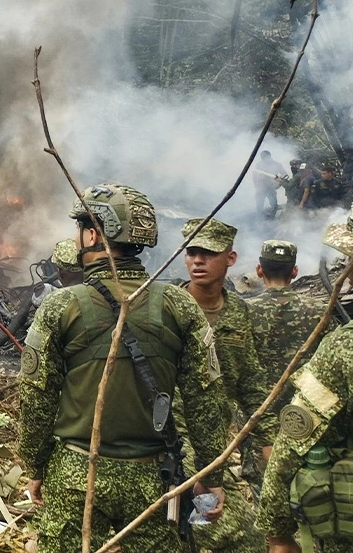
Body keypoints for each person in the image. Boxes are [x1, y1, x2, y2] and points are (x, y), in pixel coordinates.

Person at [18, 183, 228, 553]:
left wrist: (35, 465)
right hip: (155, 477)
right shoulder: (179, 305)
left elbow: (35, 400)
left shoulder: (61, 306)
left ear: (94, 234)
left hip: (78, 476)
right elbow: (206, 401)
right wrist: (211, 475)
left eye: (80, 228)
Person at [257, 208, 353, 553]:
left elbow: (295, 437)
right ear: (294, 271)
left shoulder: (344, 346)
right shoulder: (320, 316)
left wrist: (278, 531)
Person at [178, 218, 277, 552]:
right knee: (228, 534)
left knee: (228, 533)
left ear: (230, 259)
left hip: (215, 442)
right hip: (172, 440)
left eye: (207, 253)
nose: (197, 261)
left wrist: (268, 441)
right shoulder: (168, 308)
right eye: (192, 252)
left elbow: (251, 380)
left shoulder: (237, 312)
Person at [246, 240, 333, 403]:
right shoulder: (321, 312)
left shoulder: (243, 311)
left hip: (256, 407)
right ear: (294, 272)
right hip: (302, 408)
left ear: (259, 270)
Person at [255, 150, 287, 218]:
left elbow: (284, 174)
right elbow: (254, 175)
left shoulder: (276, 164)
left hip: (271, 188)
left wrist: (278, 183)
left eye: (267, 157)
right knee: (259, 205)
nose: (266, 160)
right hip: (261, 188)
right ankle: (260, 219)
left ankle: (271, 218)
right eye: (264, 158)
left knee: (274, 205)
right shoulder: (259, 165)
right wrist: (256, 185)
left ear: (270, 156)